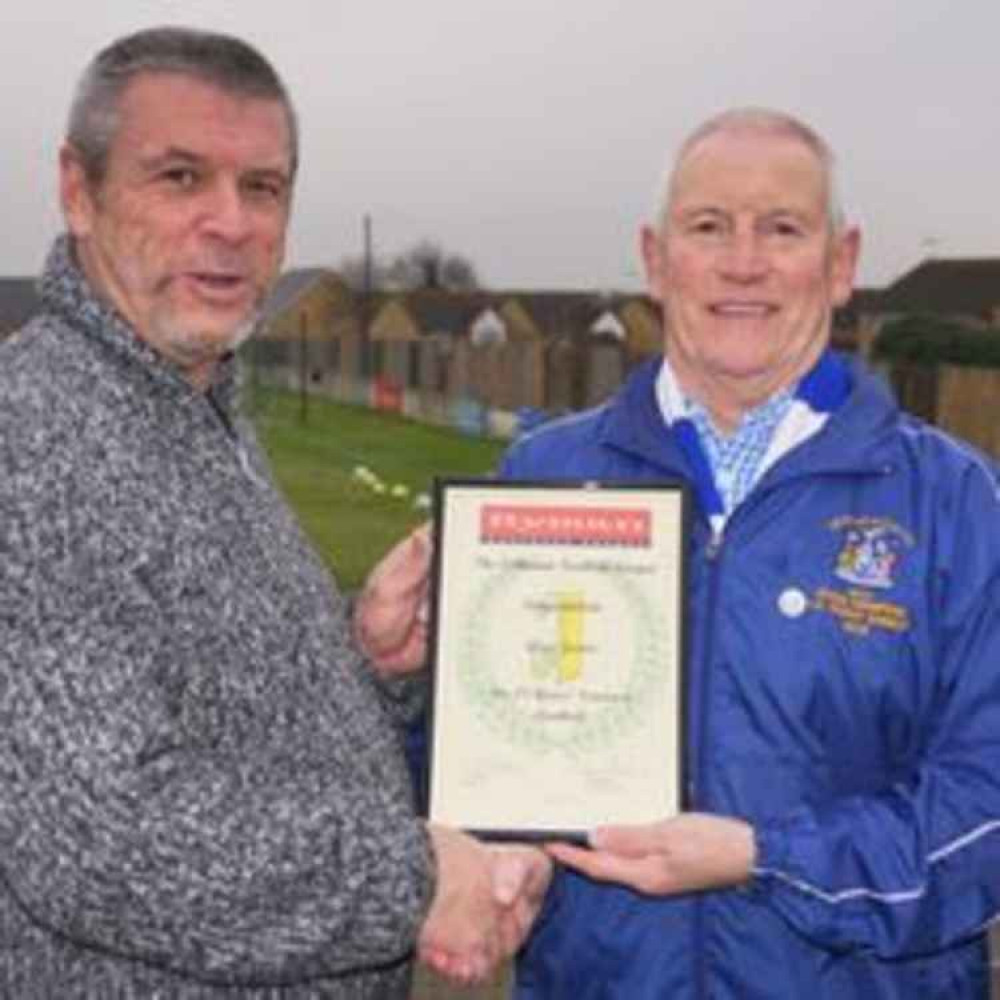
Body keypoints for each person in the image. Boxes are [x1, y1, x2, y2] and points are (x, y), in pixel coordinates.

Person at [358, 108, 1000, 997]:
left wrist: (765, 858)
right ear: (656, 260)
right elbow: (474, 770)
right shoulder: (542, 474)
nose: (744, 262)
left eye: (781, 228)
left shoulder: (958, 502)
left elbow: (986, 812)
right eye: (709, 227)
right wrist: (396, 680)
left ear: (842, 262)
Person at [0, 25, 549, 997]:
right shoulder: (33, 434)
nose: (232, 222)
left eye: (263, 187)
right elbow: (102, 834)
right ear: (77, 191)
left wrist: (363, 664)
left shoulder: (195, 400)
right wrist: (418, 878)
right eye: (179, 178)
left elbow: (219, 713)